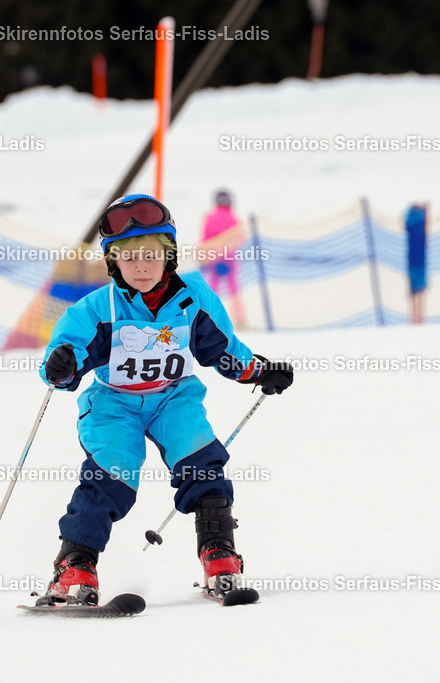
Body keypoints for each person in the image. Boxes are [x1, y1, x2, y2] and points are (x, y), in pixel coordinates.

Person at [35, 194, 294, 606]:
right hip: (115, 402)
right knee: (113, 473)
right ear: (113, 262)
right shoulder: (100, 308)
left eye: (151, 255)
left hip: (173, 398)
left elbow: (221, 348)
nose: (141, 266)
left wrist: (259, 371)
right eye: (129, 256)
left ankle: (219, 555)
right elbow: (69, 353)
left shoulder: (192, 298)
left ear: (169, 256)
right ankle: (74, 565)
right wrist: (62, 365)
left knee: (202, 462)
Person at [199, 189, 247, 327]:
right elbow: (240, 237)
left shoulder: (210, 217)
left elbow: (205, 239)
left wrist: (204, 256)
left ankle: (208, 316)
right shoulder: (233, 217)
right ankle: (240, 319)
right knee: (234, 289)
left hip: (212, 258)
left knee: (213, 289)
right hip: (230, 259)